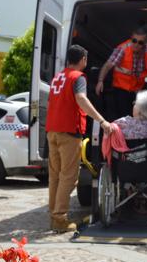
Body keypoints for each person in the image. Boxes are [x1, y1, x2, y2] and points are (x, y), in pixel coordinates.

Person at [45, 45, 113, 233]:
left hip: (52, 131)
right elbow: (81, 100)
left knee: (55, 176)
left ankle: (54, 214)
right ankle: (60, 218)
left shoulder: (57, 77)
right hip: (68, 132)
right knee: (68, 176)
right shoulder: (78, 78)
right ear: (83, 59)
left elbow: (52, 103)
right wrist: (102, 121)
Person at [95, 27, 147, 119]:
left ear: (145, 43)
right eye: (134, 41)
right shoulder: (122, 49)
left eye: (140, 42)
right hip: (121, 88)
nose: (136, 44)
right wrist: (100, 81)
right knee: (124, 116)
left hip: (138, 89)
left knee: (139, 116)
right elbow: (107, 66)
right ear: (131, 38)